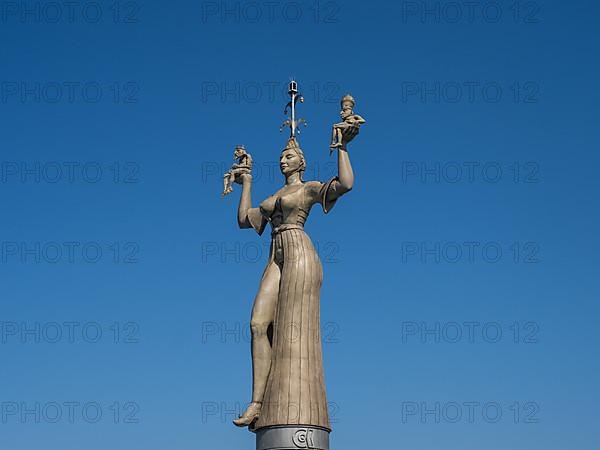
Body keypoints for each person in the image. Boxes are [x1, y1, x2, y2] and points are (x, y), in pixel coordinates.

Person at [232, 125, 358, 430]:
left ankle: (290, 404)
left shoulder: (308, 188)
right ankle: (257, 402)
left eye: (288, 155)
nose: (283, 160)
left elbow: (345, 184)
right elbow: (243, 220)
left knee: (292, 328)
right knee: (258, 324)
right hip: (274, 254)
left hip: (299, 251)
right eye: (281, 156)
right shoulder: (273, 196)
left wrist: (342, 146)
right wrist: (246, 181)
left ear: (301, 162)